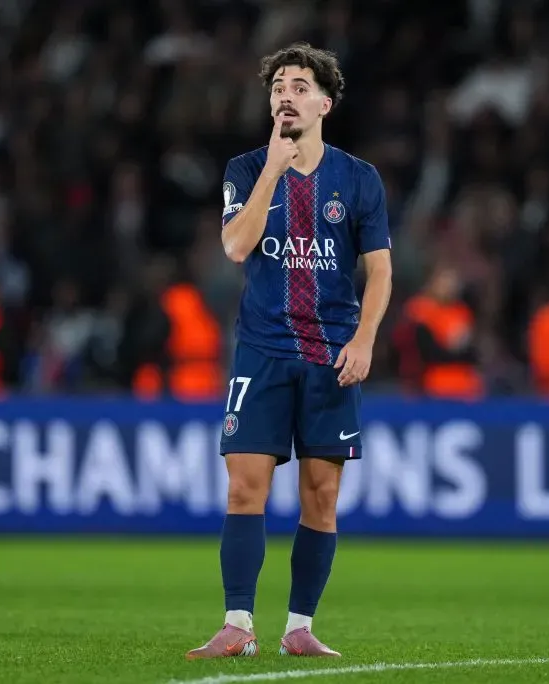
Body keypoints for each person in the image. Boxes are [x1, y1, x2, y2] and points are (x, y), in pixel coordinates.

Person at [187, 43, 392, 659]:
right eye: (279, 85)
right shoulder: (246, 169)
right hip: (263, 351)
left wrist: (364, 340)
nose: (286, 93)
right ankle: (238, 623)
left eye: (300, 85)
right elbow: (235, 247)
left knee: (320, 497)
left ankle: (299, 627)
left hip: (332, 354)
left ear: (325, 103)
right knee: (245, 487)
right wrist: (275, 170)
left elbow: (380, 272)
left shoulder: (358, 178)